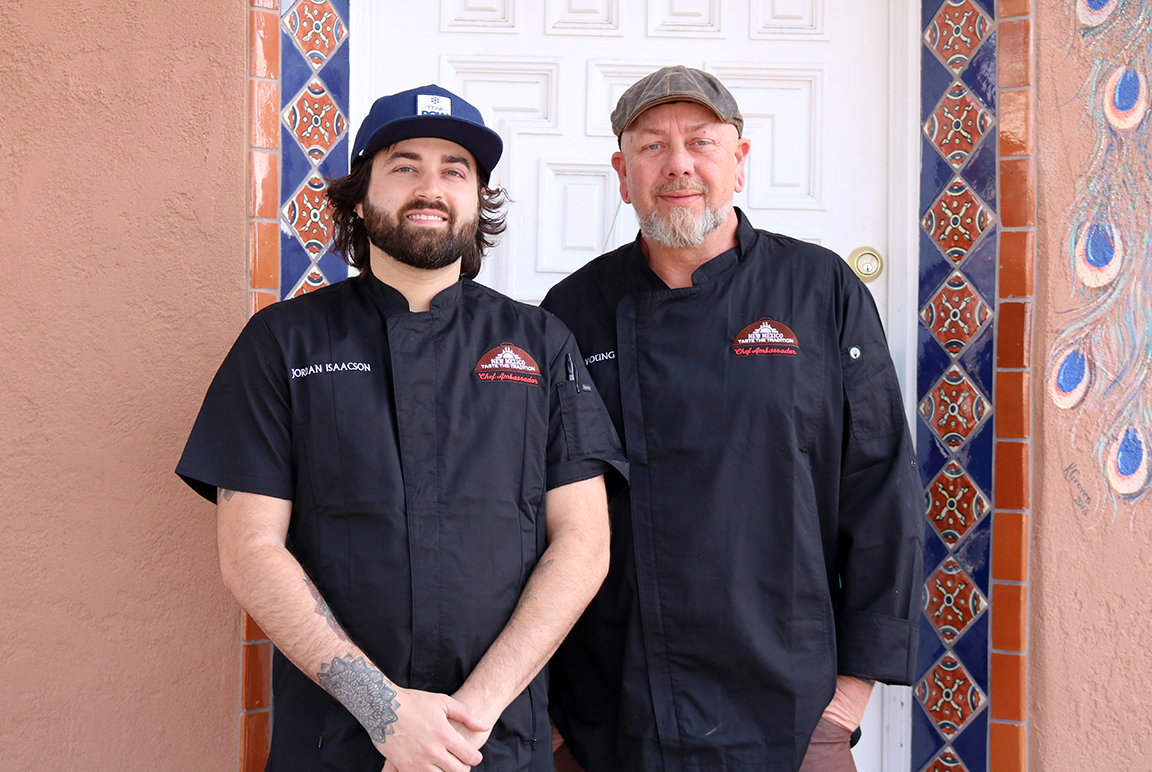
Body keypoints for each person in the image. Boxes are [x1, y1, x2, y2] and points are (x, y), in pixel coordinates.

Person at [177, 84, 627, 772]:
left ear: (478, 199)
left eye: (455, 170)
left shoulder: (541, 343)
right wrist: (386, 713)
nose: (431, 186)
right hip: (336, 741)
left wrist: (465, 721)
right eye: (404, 165)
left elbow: (584, 544)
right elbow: (250, 552)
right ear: (361, 197)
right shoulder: (283, 343)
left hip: (493, 742)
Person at [541, 66, 923, 772]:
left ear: (739, 163)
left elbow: (880, 487)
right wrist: (554, 721)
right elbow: (531, 512)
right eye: (652, 146)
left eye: (702, 141)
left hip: (792, 710)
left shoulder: (821, 289)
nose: (679, 163)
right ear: (623, 174)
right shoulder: (571, 310)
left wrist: (843, 704)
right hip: (613, 712)